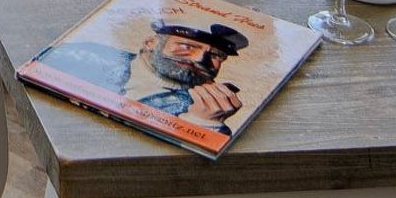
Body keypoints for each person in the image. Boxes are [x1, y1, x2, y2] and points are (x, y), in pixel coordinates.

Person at [39, 18, 249, 130]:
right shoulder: (85, 56)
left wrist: (204, 124)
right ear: (151, 43)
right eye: (186, 46)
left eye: (216, 55)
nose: (198, 60)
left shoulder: (198, 107)